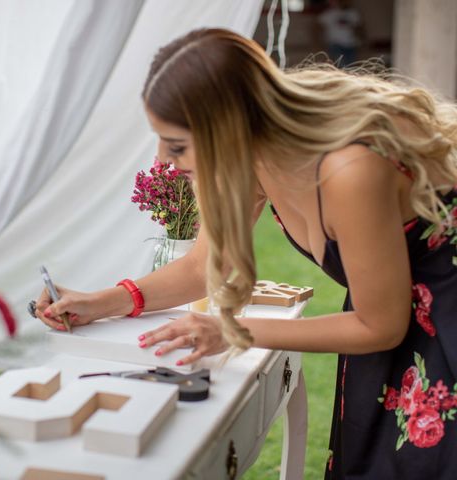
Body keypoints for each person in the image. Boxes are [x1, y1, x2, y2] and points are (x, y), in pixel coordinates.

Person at [34, 28, 457, 478]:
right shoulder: (254, 160)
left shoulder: (348, 169)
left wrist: (230, 331)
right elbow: (204, 266)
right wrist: (98, 303)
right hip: (391, 324)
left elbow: (381, 325)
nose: (162, 160)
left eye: (176, 145)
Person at [317, 0, 364, 68]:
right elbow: (316, 28)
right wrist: (319, 43)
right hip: (336, 44)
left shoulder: (353, 13)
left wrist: (362, 40)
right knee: (341, 66)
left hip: (351, 44)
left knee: (352, 66)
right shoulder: (328, 14)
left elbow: (358, 28)